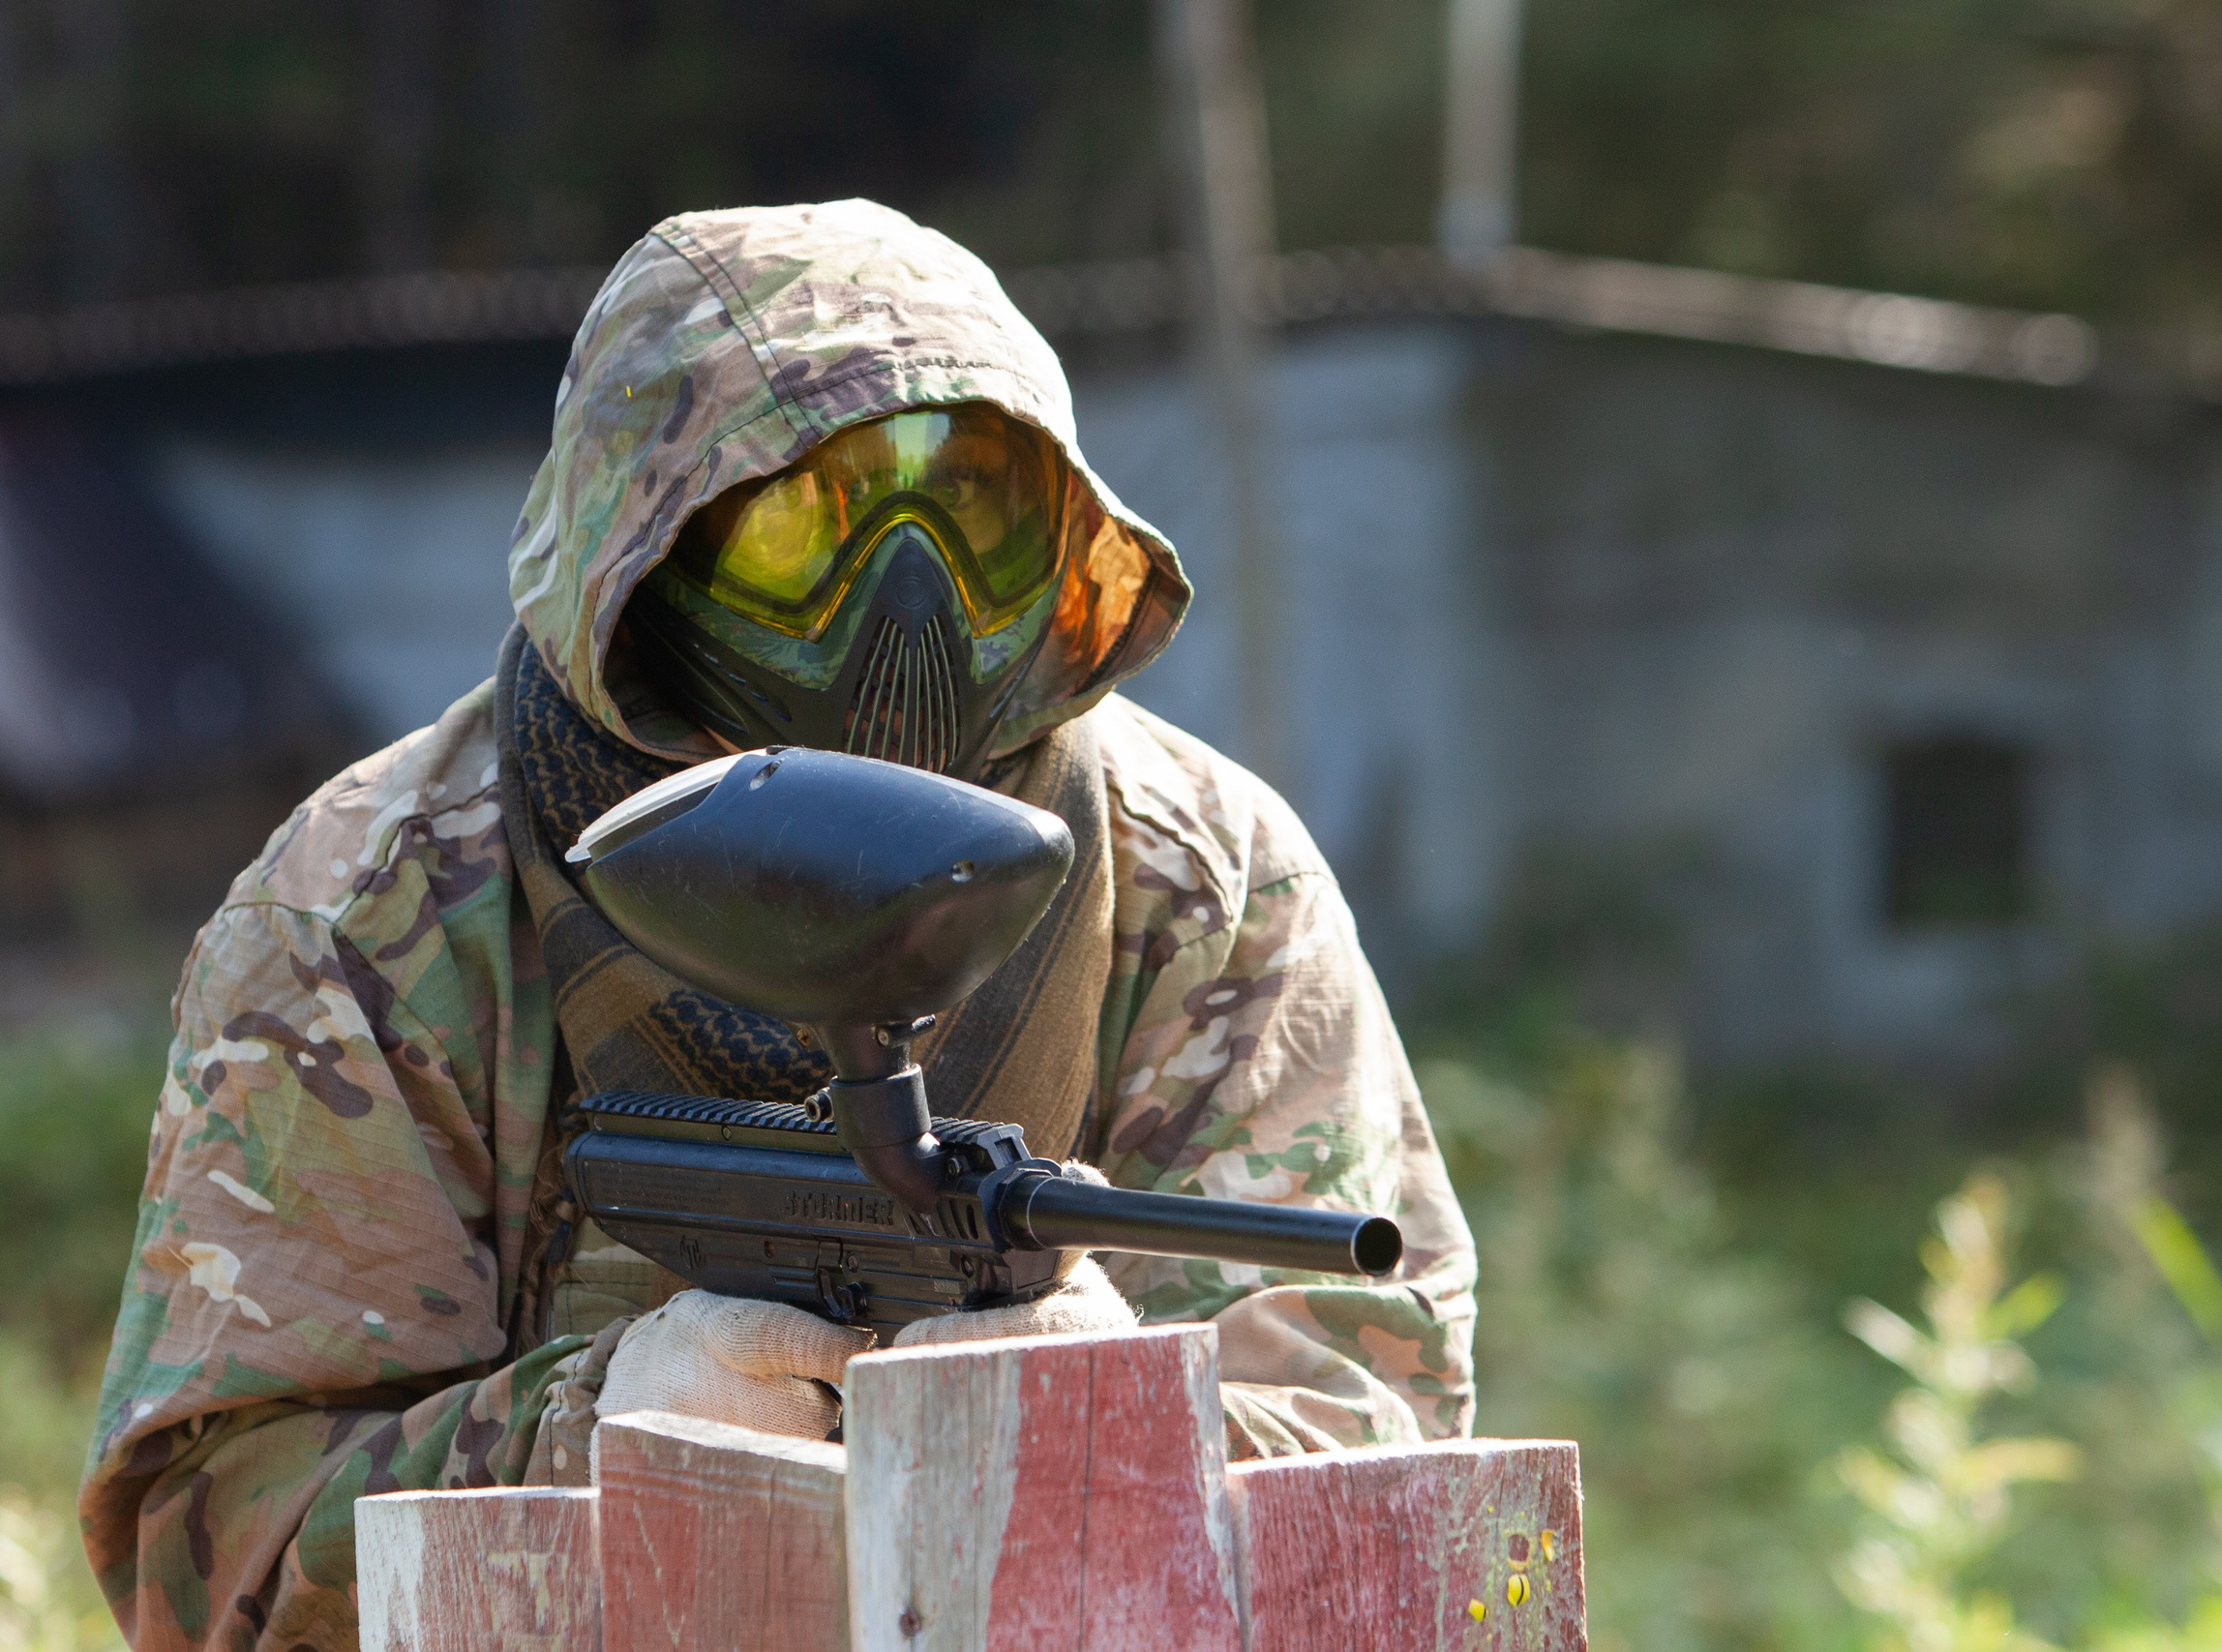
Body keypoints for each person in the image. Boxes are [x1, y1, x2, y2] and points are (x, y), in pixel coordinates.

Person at [82, 198, 1476, 1652]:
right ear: (647, 552)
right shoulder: (378, 912)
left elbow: (1377, 1458)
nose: (905, 607)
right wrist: (578, 1438)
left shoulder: (1203, 876)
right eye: (802, 532)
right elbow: (215, 1558)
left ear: (1069, 546)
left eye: (979, 524)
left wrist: (1137, 1429)